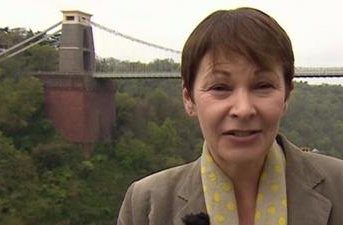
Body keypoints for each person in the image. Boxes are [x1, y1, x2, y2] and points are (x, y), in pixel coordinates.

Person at [117, 7, 343, 225]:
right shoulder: (147, 205)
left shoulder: (338, 187)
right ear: (189, 99)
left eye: (263, 85)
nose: (243, 109)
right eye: (220, 88)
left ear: (286, 96)